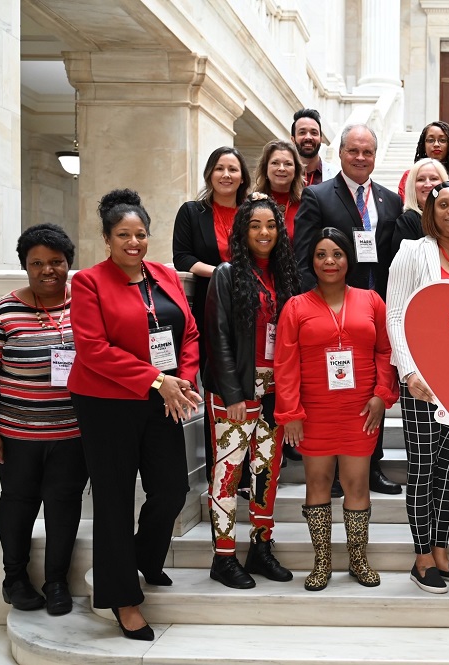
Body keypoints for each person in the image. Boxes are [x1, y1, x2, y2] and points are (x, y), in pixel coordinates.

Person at [69, 189, 201, 640]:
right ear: (107, 239)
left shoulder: (163, 274)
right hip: (107, 404)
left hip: (164, 398)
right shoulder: (87, 282)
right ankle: (123, 598)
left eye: (140, 234)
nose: (133, 242)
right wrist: (155, 379)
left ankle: (144, 556)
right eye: (123, 235)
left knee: (171, 488)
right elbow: (92, 350)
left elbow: (189, 332)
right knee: (114, 499)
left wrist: (180, 378)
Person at [0, 224, 87, 617]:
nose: (47, 270)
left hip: (73, 435)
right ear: (25, 266)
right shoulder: (4, 310)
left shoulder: (85, 304)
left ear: (69, 263)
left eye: (56, 262)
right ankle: (14, 579)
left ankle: (57, 582)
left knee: (64, 505)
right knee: (18, 503)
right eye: (37, 263)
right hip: (17, 434)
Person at [275, 227, 399, 591]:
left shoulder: (372, 301)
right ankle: (322, 562)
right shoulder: (296, 306)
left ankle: (358, 560)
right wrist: (291, 412)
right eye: (321, 255)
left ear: (349, 259)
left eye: (337, 254)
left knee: (358, 483)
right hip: (314, 412)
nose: (329, 261)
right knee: (318, 483)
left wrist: (381, 394)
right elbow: (284, 364)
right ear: (311, 262)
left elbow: (385, 351)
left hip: (361, 410)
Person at [293, 123, 404, 495]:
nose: (360, 158)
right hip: (334, 312)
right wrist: (321, 309)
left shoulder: (391, 201)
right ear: (340, 153)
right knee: (338, 393)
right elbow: (304, 258)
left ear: (375, 156)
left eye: (367, 152)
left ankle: (371, 466)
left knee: (375, 384)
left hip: (378, 310)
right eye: (353, 151)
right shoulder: (318, 196)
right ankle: (337, 468)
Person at [386, 181, 449, 593]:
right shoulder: (412, 251)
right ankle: (421, 556)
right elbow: (394, 315)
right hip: (423, 380)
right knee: (423, 470)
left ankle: (441, 552)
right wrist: (408, 373)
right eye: (444, 204)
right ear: (431, 209)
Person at [203, 193, 300, 589]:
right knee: (228, 474)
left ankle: (260, 548)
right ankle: (223, 557)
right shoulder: (227, 274)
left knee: (265, 472)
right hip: (237, 393)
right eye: (255, 225)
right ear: (242, 231)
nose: (264, 232)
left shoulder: (286, 276)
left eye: (271, 225)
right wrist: (233, 395)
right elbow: (219, 338)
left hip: (275, 390)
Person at [172, 146, 252, 485]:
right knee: (216, 383)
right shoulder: (192, 212)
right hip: (209, 306)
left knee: (247, 382)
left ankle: (248, 469)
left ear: (242, 177)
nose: (226, 175)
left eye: (233, 169)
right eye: (220, 168)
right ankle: (219, 468)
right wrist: (223, 272)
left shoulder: (252, 212)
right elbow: (182, 257)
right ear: (210, 174)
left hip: (250, 309)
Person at [395, 121, 449, 205]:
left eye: (442, 140)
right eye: (430, 140)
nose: (436, 144)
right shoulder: (410, 176)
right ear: (423, 145)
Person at [391, 157, 447, 259]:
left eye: (434, 178)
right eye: (421, 179)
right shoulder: (408, 221)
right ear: (412, 186)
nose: (428, 184)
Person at [253, 139, 305, 233]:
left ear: (296, 171)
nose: (281, 168)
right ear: (265, 169)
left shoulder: (305, 204)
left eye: (288, 164)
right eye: (275, 163)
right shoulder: (252, 203)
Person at [291, 108, 336, 186]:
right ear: (293, 139)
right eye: (302, 132)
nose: (308, 137)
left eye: (314, 133)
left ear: (321, 139)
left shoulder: (336, 175)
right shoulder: (284, 174)